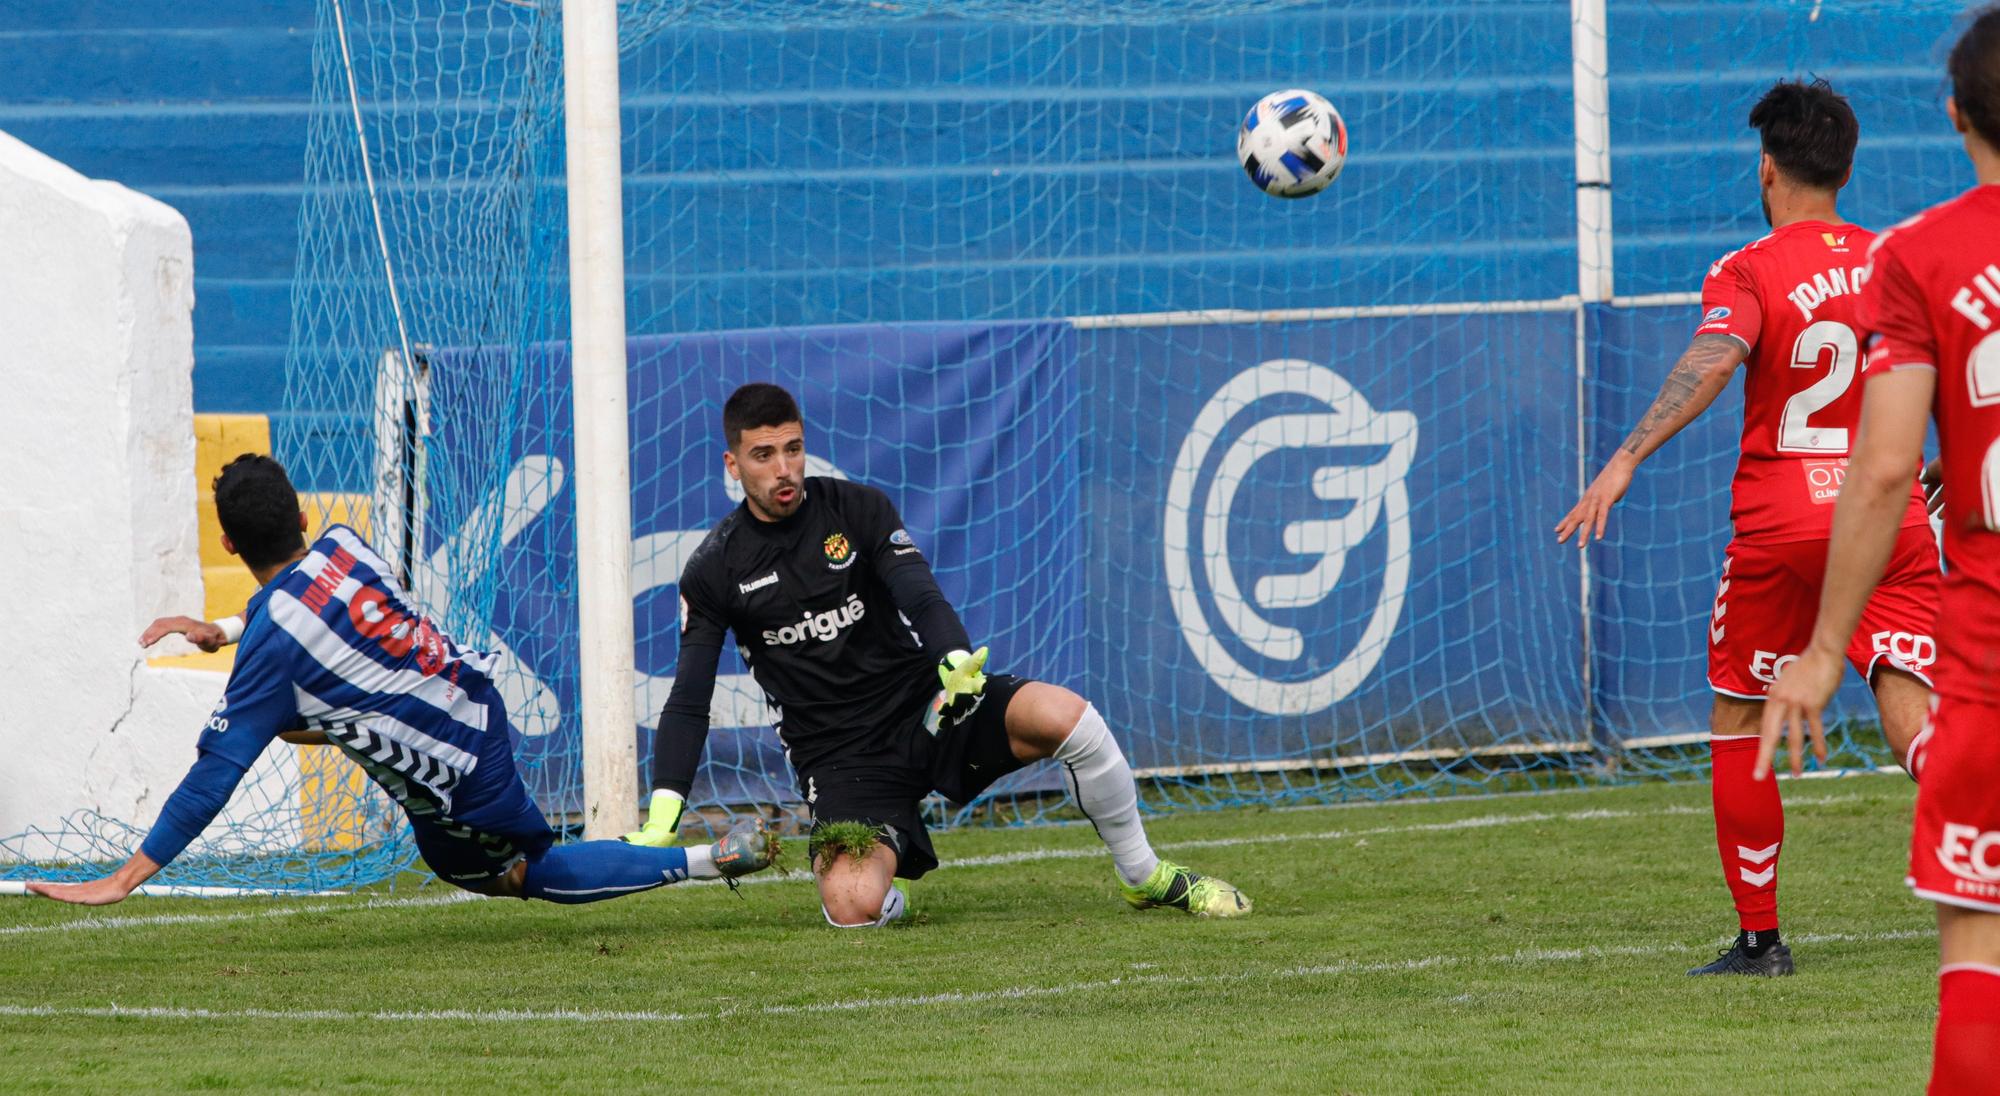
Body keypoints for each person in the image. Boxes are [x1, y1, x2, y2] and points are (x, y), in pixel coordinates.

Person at [1555, 79, 1940, 976]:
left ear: (1768, 171)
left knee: (1739, 713)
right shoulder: (1897, 259)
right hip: (1886, 516)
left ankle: (1761, 939)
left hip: (1782, 525)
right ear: (1845, 169)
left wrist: (1627, 456)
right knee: (1907, 702)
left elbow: (1716, 353)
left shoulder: (1748, 268)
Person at [622, 382, 1249, 925]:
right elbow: (688, 699)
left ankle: (1144, 876)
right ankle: (889, 902)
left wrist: (952, 659)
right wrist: (665, 811)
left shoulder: (858, 508)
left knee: (1069, 717)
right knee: (850, 906)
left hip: (929, 707)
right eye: (764, 455)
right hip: (841, 760)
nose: (784, 469)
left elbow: (919, 594)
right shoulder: (713, 569)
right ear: (733, 464)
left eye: (793, 448)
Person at [29, 454, 776, 907]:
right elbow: (291, 611)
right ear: (300, 515)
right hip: (470, 699)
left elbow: (213, 776)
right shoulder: (347, 546)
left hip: (453, 768)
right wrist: (219, 629)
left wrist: (123, 878)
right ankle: (691, 857)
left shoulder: (272, 641)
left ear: (226, 541)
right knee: (305, 719)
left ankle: (709, 859)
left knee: (519, 873)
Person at [1762, 9, 2000, 1089]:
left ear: (1952, 115)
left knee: (1975, 963)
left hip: (1988, 661)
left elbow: (1883, 467)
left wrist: (1820, 648)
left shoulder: (1919, 256)